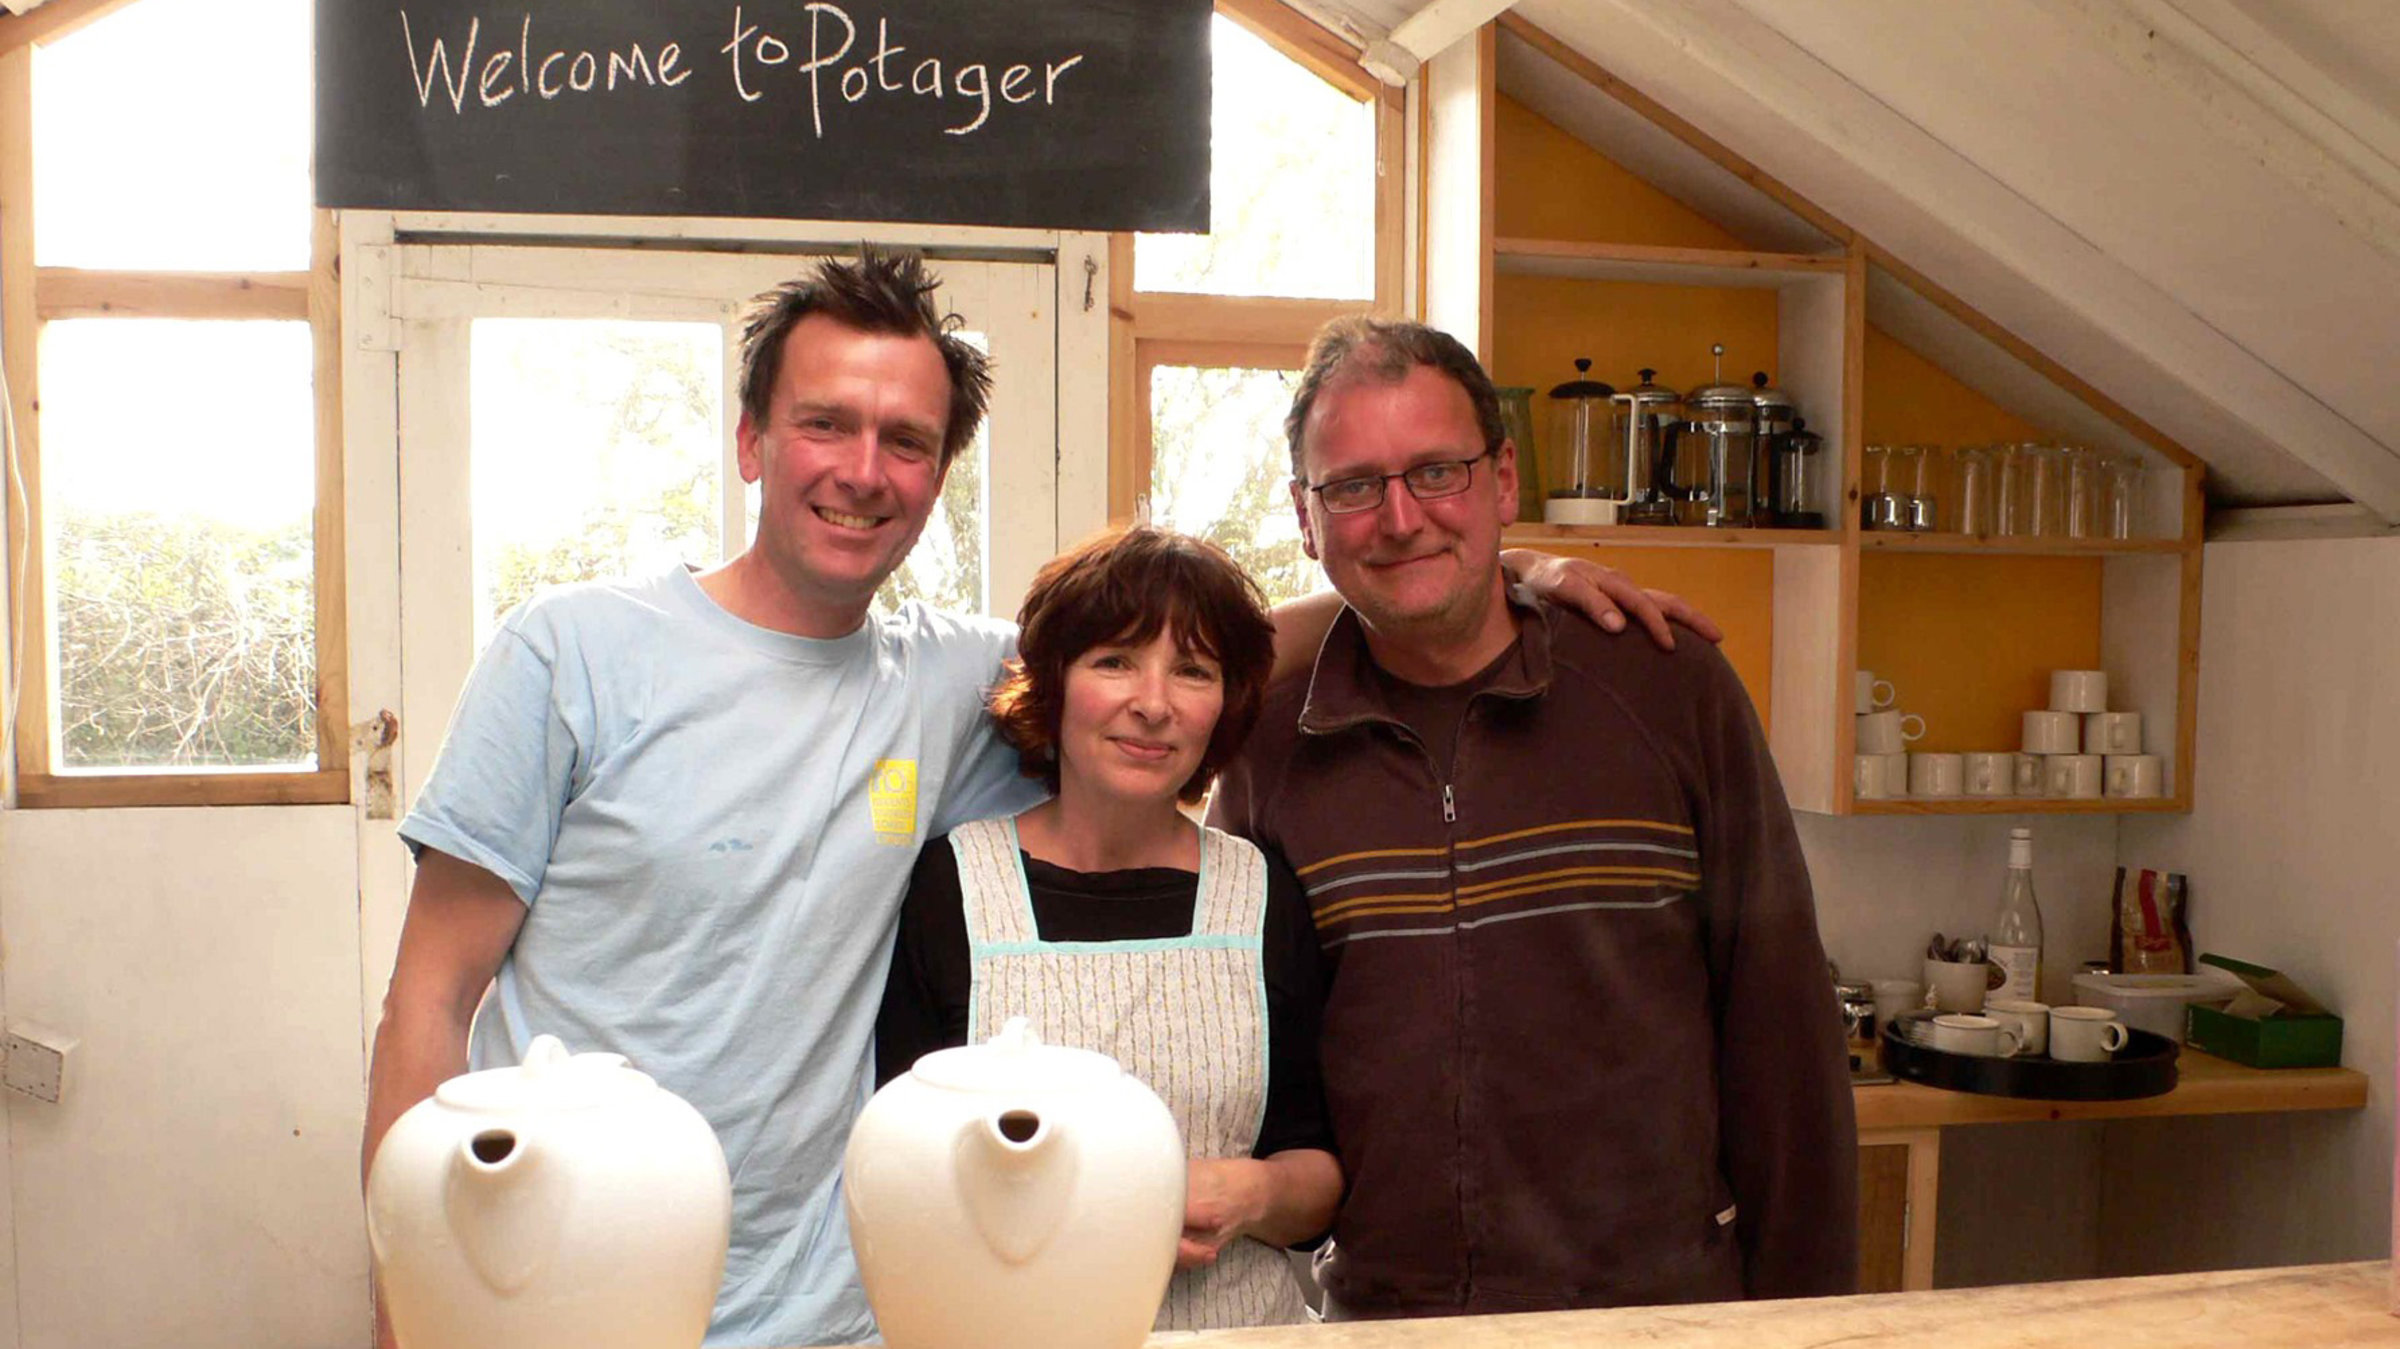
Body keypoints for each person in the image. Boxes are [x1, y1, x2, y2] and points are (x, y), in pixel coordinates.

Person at [363, 249, 1704, 1349]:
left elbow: (1175, 650)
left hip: (850, 1306)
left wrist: (1470, 566)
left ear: (937, 473)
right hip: (570, 1293)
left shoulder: (951, 676)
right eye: (826, 421)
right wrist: (405, 1299)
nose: (863, 467)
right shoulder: (571, 655)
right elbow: (430, 997)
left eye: (907, 438)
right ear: (751, 437)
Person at [1208, 316, 1858, 1320]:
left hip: (1663, 1313)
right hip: (1388, 1317)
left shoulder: (1668, 686)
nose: (1399, 516)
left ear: (1502, 480)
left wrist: (1816, 1323)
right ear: (1305, 515)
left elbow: (1783, 1030)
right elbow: (1248, 1055)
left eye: (1437, 471)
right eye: (1353, 485)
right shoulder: (1267, 748)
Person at [878, 527, 1337, 1331]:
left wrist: (1253, 1192)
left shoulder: (1263, 892)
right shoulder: (950, 887)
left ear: (1224, 705)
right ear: (1054, 684)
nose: (1153, 703)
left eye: (1192, 670)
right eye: (1115, 660)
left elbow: (1321, 1174)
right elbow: (899, 1169)